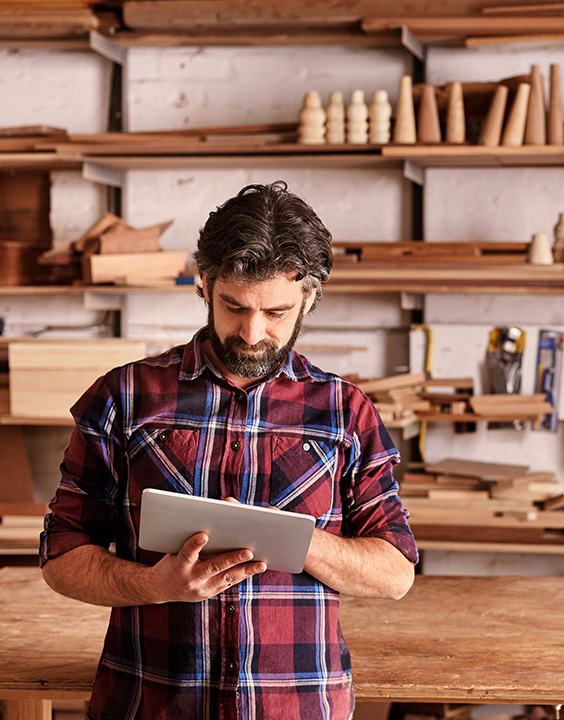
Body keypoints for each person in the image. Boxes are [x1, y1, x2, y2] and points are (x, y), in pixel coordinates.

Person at [39, 181, 418, 720]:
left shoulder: (345, 411)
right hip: (150, 704)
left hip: (298, 708)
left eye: (277, 312)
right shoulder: (124, 396)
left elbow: (396, 572)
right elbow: (61, 556)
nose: (252, 332)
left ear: (308, 297)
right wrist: (154, 585)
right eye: (234, 306)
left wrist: (290, 539)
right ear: (204, 283)